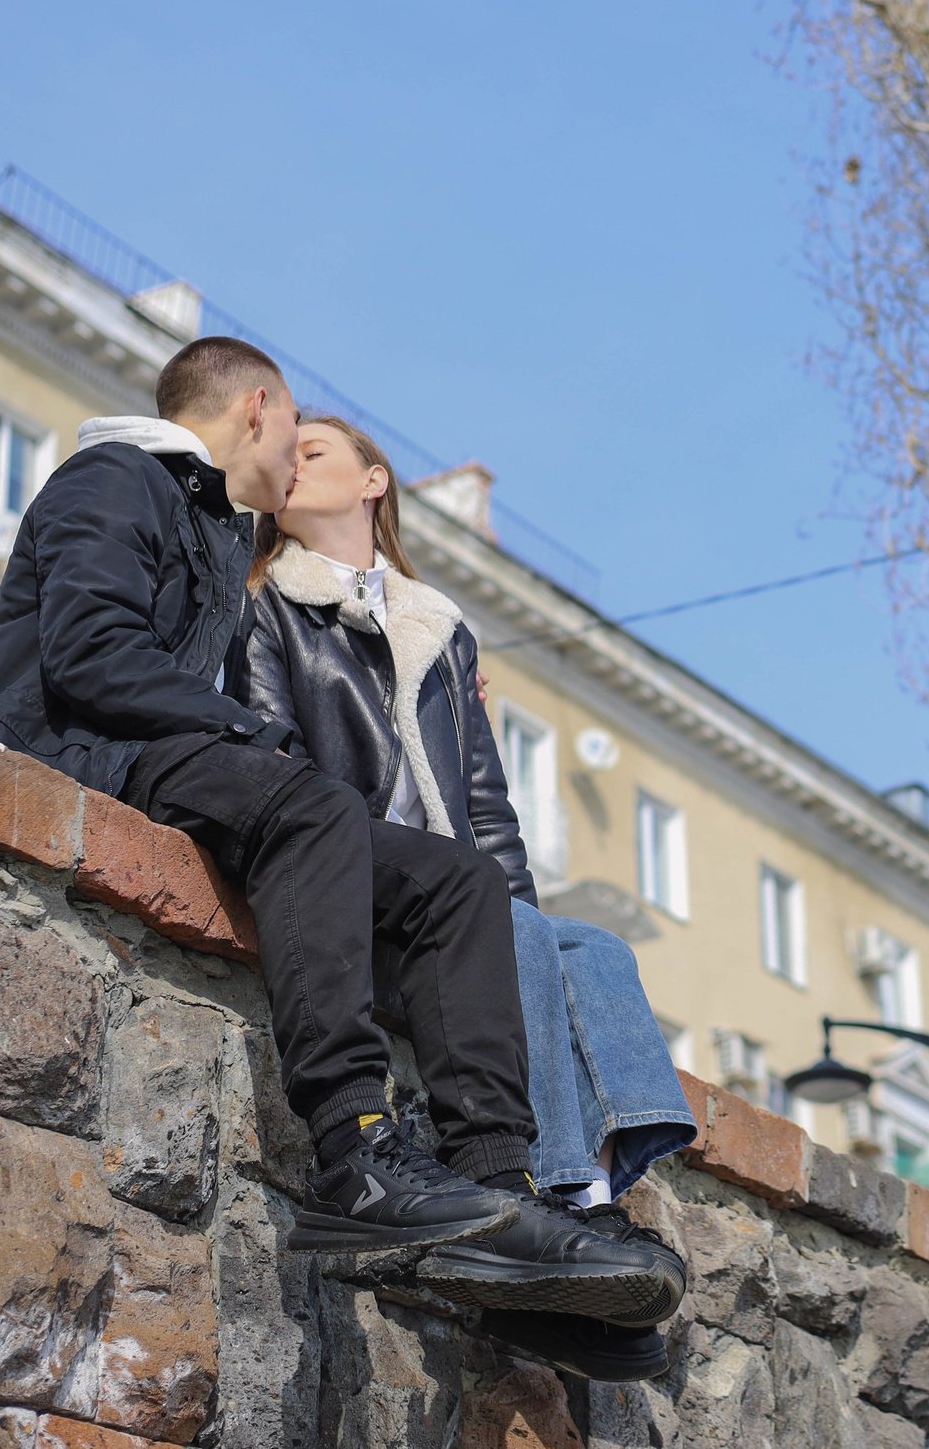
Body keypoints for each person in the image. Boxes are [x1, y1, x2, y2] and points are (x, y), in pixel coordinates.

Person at [0, 337, 675, 1329]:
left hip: (162, 763)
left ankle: (496, 1199)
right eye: (294, 427)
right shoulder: (112, 477)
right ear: (258, 408)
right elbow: (90, 657)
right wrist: (255, 735)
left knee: (457, 882)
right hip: (78, 754)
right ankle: (359, 1148)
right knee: (310, 803)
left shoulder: (212, 526)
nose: (294, 452)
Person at [244, 413, 694, 1381]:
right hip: (354, 879)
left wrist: (514, 912)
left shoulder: (437, 628)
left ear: (374, 481)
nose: (290, 462)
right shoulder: (263, 598)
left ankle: (588, 1203)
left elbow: (486, 810)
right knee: (511, 925)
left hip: (451, 889)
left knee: (593, 951)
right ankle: (544, 1201)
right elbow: (271, 756)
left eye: (314, 450)